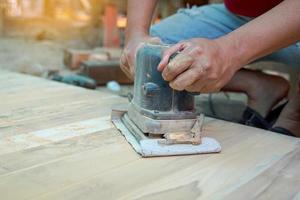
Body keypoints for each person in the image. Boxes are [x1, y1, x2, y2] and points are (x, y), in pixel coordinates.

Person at [120, 0, 300, 136]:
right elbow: (143, 41)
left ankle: (294, 116)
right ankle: (258, 85)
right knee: (156, 49)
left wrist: (227, 51)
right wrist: (136, 33)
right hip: (238, 16)